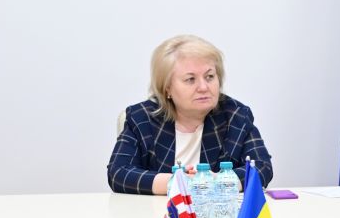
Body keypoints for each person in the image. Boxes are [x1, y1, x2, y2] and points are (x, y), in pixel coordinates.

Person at [108, 35, 273, 195]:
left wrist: (218, 181)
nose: (203, 87)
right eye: (190, 79)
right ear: (167, 88)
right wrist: (179, 182)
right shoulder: (142, 118)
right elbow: (118, 173)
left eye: (209, 77)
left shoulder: (236, 116)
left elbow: (262, 168)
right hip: (156, 211)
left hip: (214, 211)